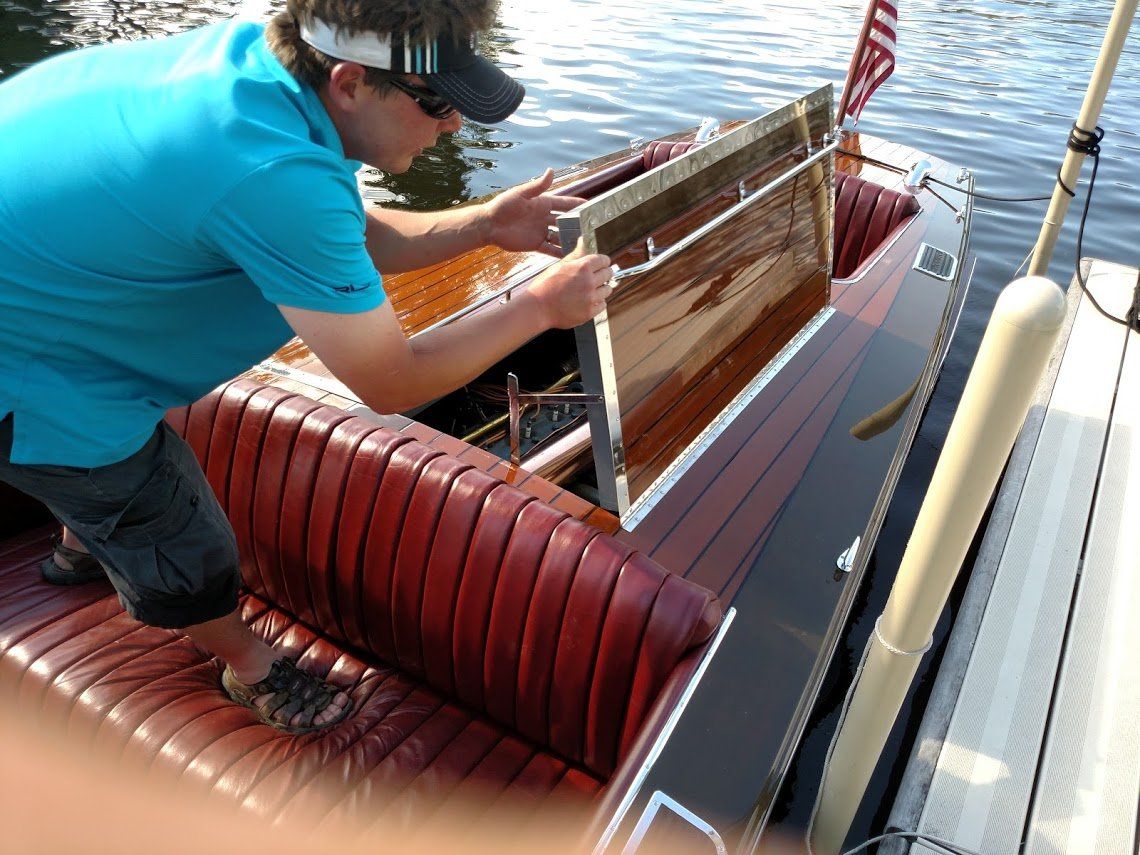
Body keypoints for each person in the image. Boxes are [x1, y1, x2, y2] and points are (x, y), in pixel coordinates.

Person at [0, 0, 612, 733]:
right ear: (351, 81)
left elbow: (350, 226)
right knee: (171, 529)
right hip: (30, 367)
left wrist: (485, 225)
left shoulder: (252, 68)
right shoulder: (271, 172)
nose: (454, 125)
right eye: (438, 103)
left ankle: (80, 546)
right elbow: (391, 381)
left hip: (52, 293)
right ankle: (250, 668)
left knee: (99, 461)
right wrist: (541, 308)